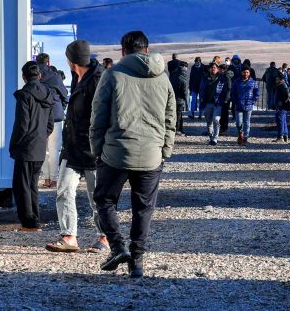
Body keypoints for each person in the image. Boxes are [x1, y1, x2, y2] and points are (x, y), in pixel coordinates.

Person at [91, 31, 175, 278]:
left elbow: (99, 116)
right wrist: (165, 148)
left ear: (123, 51)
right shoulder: (163, 78)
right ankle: (136, 261)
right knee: (143, 208)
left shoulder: (112, 75)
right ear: (147, 50)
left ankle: (117, 246)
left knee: (105, 200)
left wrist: (97, 149)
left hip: (116, 153)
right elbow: (171, 116)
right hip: (152, 154)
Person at [46, 40, 107, 253]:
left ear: (71, 61)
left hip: (93, 151)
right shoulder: (77, 76)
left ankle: (105, 238)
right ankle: (69, 236)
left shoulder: (98, 80)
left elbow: (104, 116)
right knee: (63, 190)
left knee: (97, 197)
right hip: (72, 148)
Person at [9, 61, 54, 231]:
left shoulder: (24, 95)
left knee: (22, 185)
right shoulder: (48, 93)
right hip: (40, 146)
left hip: (26, 147)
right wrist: (42, 136)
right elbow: (50, 124)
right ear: (39, 75)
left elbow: (22, 124)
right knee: (33, 184)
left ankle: (29, 222)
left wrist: (15, 144)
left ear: (24, 77)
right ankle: (35, 218)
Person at [36, 53, 69, 189]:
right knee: (54, 149)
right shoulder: (55, 76)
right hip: (55, 115)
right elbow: (64, 94)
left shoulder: (34, 75)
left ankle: (46, 179)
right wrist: (62, 107)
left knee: (43, 149)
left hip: (39, 116)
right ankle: (54, 179)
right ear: (48, 62)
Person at [231, 66, 259, 145]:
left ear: (249, 73)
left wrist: (252, 101)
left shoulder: (253, 82)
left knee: (247, 122)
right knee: (238, 122)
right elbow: (233, 93)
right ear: (241, 72)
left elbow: (256, 93)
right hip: (239, 105)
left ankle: (245, 137)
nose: (245, 74)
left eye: (247, 72)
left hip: (248, 105)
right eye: (244, 72)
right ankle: (240, 134)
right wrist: (235, 101)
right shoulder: (236, 82)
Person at [199, 63, 225, 145]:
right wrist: (202, 98)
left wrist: (223, 99)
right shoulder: (205, 78)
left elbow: (225, 89)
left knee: (216, 120)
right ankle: (210, 135)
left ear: (217, 69)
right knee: (209, 120)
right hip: (207, 102)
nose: (213, 69)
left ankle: (215, 138)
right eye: (212, 67)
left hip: (217, 103)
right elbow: (201, 89)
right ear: (209, 69)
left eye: (215, 67)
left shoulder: (221, 78)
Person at [170, 61, 190, 135]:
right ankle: (178, 129)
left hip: (172, 97)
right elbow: (184, 88)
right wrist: (185, 98)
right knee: (179, 115)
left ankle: (176, 129)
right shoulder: (183, 75)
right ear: (185, 67)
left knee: (173, 114)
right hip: (180, 99)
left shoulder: (173, 74)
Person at [273, 72, 290, 143]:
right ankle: (285, 136)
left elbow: (287, 96)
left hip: (281, 107)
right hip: (282, 106)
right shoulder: (281, 85)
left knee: (280, 121)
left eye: (277, 79)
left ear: (281, 79)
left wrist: (282, 102)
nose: (276, 80)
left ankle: (280, 136)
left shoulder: (282, 86)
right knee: (283, 121)